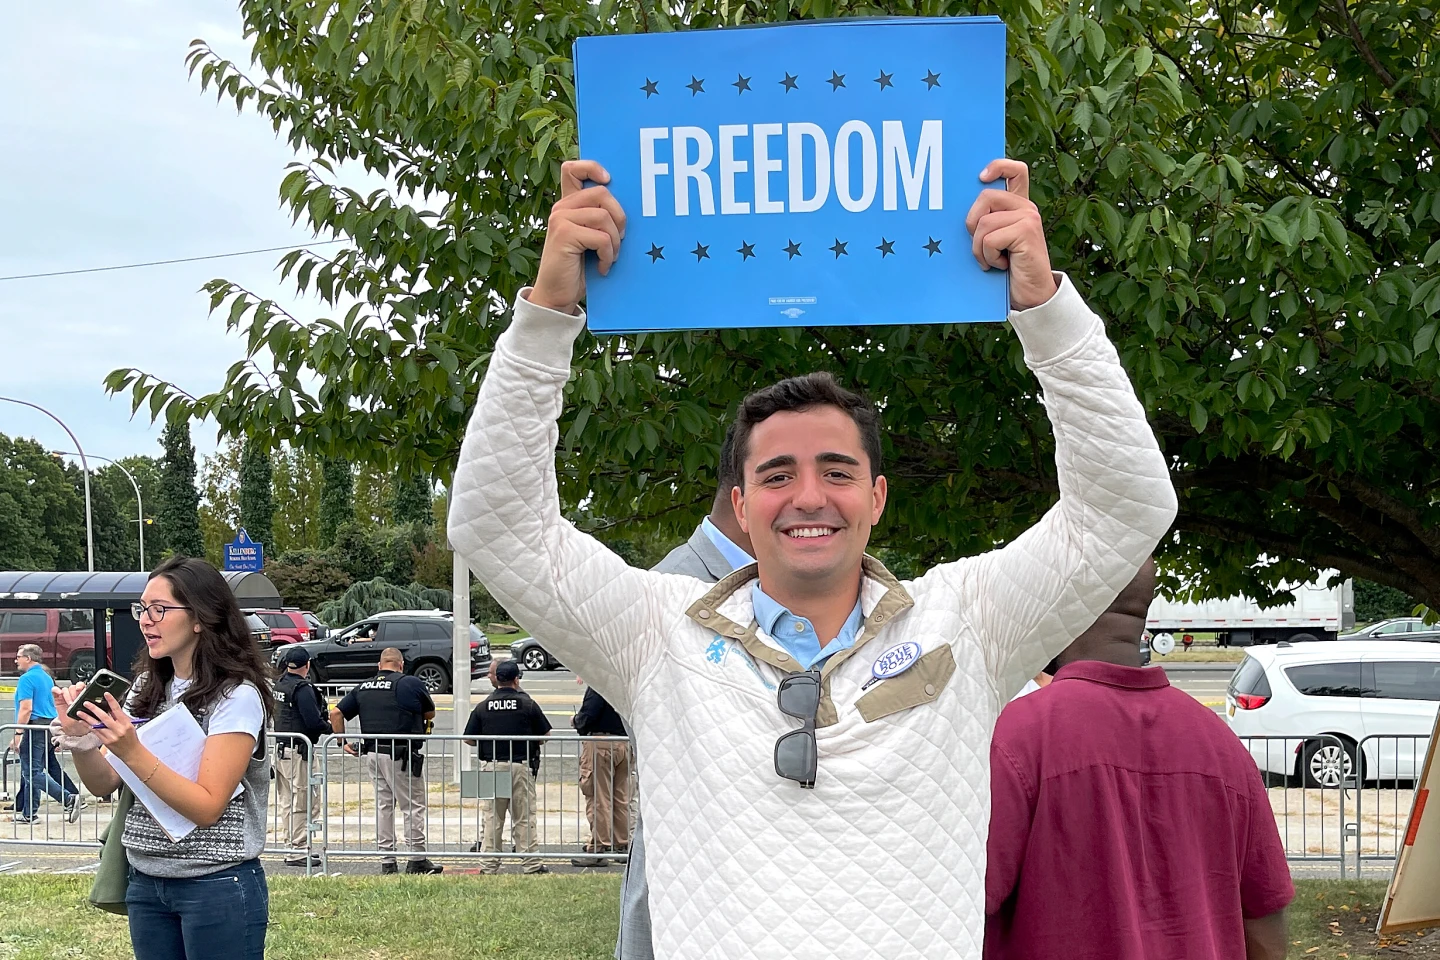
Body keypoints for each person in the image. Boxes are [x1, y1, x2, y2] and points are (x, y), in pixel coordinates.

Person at [447, 156, 1178, 959]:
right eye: (776, 475)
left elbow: (1126, 509)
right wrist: (549, 312)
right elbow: (497, 526)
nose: (808, 497)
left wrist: (1045, 309)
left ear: (877, 497)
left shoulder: (967, 620)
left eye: (837, 471)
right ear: (739, 505)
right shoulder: (657, 635)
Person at [984, 559, 1293, 959]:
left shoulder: (1015, 738)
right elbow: (1265, 923)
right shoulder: (1222, 745)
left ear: (1054, 610)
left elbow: (962, 905)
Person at [54, 556, 274, 960]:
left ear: (200, 618)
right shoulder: (146, 686)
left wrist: (133, 751)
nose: (145, 621)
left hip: (216, 883)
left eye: (159, 609)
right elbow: (103, 783)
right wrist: (82, 740)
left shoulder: (236, 696)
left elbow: (208, 807)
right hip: (146, 881)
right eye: (142, 609)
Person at [618, 426, 753, 959]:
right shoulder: (665, 596)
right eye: (782, 477)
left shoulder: (776, 586)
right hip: (692, 895)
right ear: (742, 495)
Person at [330, 647, 442, 875]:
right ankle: (417, 858)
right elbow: (430, 713)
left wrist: (342, 742)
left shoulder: (364, 686)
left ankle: (387, 860)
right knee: (412, 806)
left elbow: (335, 713)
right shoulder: (410, 683)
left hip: (373, 754)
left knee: (384, 807)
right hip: (401, 756)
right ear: (401, 665)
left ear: (380, 666)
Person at [464, 659, 551, 874]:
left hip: (491, 766)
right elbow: (544, 735)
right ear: (516, 679)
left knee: (492, 818)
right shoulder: (528, 704)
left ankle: (488, 866)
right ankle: (531, 864)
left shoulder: (483, 706)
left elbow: (468, 739)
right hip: (520, 766)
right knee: (524, 817)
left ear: (497, 679)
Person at [271, 645, 330, 867]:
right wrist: (330, 728)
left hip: (282, 750)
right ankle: (298, 849)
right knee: (304, 801)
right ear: (307, 665)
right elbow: (313, 722)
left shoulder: (280, 685)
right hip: (298, 753)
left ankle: (291, 846)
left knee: (287, 801)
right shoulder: (302, 689)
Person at [11, 643, 81, 824]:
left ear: (28, 658)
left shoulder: (26, 679)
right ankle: (29, 813)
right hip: (48, 727)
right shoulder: (46, 677)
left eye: (18, 657)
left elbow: (26, 708)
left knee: (32, 772)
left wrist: (18, 734)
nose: (16, 660)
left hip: (33, 727)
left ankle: (68, 799)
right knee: (36, 770)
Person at [571, 684, 631, 866]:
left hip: (601, 744)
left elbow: (589, 715)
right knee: (621, 797)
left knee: (598, 797)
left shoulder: (598, 684)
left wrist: (576, 721)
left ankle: (598, 848)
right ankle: (622, 844)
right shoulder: (624, 683)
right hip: (624, 742)